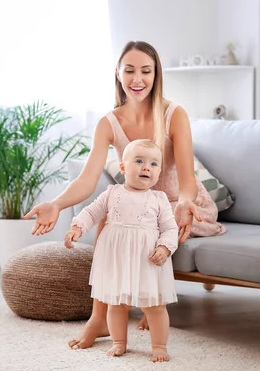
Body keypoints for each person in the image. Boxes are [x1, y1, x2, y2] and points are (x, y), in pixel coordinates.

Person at [23, 40, 225, 349]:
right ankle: (99, 319)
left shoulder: (174, 114)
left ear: (156, 75)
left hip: (177, 204)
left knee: (149, 221)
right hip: (135, 203)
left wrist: (185, 201)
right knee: (110, 217)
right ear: (117, 74)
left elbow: (188, 179)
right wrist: (58, 203)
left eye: (146, 71)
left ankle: (148, 302)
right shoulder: (109, 122)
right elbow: (87, 179)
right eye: (129, 70)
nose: (137, 79)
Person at [64, 139, 178, 362]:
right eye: (139, 161)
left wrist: (165, 247)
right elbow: (91, 212)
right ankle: (119, 342)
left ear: (159, 171)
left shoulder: (159, 199)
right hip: (116, 258)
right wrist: (77, 228)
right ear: (123, 168)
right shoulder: (112, 193)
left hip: (148, 259)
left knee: (154, 305)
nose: (147, 167)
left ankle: (159, 345)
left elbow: (170, 228)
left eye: (154, 164)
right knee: (116, 303)